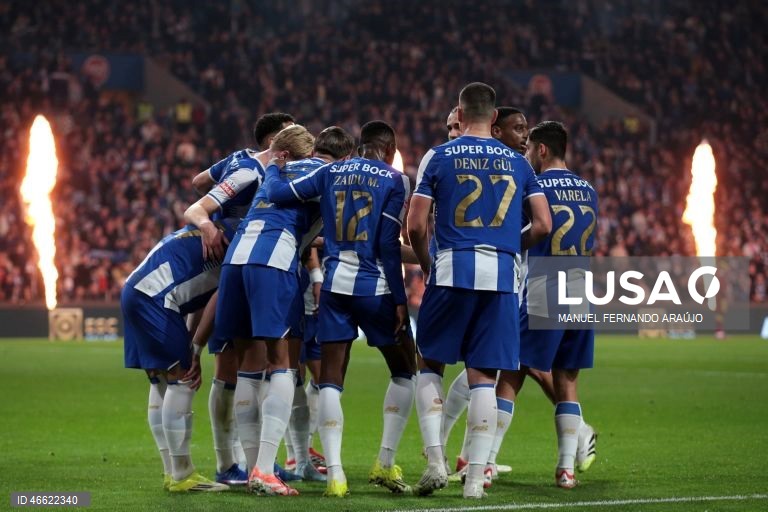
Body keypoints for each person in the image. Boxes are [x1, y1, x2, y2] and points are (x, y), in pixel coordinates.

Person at [407, 82, 551, 499]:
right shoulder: (519, 163)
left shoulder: (439, 154)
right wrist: (510, 246)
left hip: (451, 270)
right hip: (502, 277)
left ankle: (435, 459)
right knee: (484, 378)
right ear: (493, 118)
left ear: (459, 111)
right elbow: (542, 224)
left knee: (430, 364)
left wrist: (428, 262)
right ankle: (474, 483)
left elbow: (416, 225)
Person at [264, 121, 416, 498]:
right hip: (375, 287)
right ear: (389, 147)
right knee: (406, 371)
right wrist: (399, 297)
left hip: (334, 286)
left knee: (330, 379)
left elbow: (278, 193)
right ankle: (384, 461)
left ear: (360, 145)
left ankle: (335, 475)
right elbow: (387, 241)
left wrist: (272, 164)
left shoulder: (330, 172)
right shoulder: (395, 180)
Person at [217, 125, 356, 497]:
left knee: (248, 363)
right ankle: (264, 468)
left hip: (236, 262)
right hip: (272, 260)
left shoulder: (274, 170)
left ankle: (253, 470)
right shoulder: (321, 172)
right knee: (283, 361)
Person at [184, 112, 295, 486]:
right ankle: (238, 461)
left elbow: (199, 181)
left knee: (236, 365)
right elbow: (202, 201)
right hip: (238, 257)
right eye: (289, 136)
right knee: (241, 364)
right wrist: (219, 223)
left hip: (229, 260)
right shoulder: (255, 169)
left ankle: (238, 461)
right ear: (275, 142)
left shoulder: (237, 159)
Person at [498, 120, 599, 489]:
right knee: (567, 380)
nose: (527, 155)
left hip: (546, 283)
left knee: (512, 370)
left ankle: (486, 462)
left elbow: (536, 228)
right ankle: (565, 470)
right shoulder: (588, 189)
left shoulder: (536, 186)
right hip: (581, 286)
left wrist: (510, 244)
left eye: (529, 150)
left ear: (541, 150)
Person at [122, 218, 240, 492]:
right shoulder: (238, 241)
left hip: (136, 290)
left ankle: (171, 471)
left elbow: (197, 294)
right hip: (158, 299)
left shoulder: (204, 231)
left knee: (161, 380)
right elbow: (217, 298)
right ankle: (182, 475)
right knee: (183, 379)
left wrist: (187, 338)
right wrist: (196, 348)